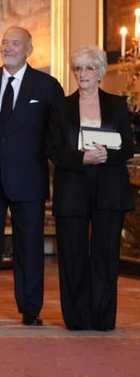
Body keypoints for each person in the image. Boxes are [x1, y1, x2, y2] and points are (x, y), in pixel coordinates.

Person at [0, 26, 64, 326]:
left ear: (29, 49)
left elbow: (53, 132)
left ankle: (30, 310)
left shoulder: (47, 86)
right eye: (5, 43)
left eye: (15, 43)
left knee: (29, 247)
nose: (8, 48)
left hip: (28, 178)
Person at [47, 47, 135, 331]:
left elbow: (129, 147)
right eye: (77, 68)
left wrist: (108, 156)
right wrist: (82, 158)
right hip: (72, 184)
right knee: (72, 254)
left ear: (100, 72)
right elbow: (54, 149)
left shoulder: (118, 105)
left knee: (106, 254)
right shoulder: (61, 107)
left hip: (110, 187)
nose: (82, 74)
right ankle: (77, 318)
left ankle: (102, 317)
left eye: (88, 68)